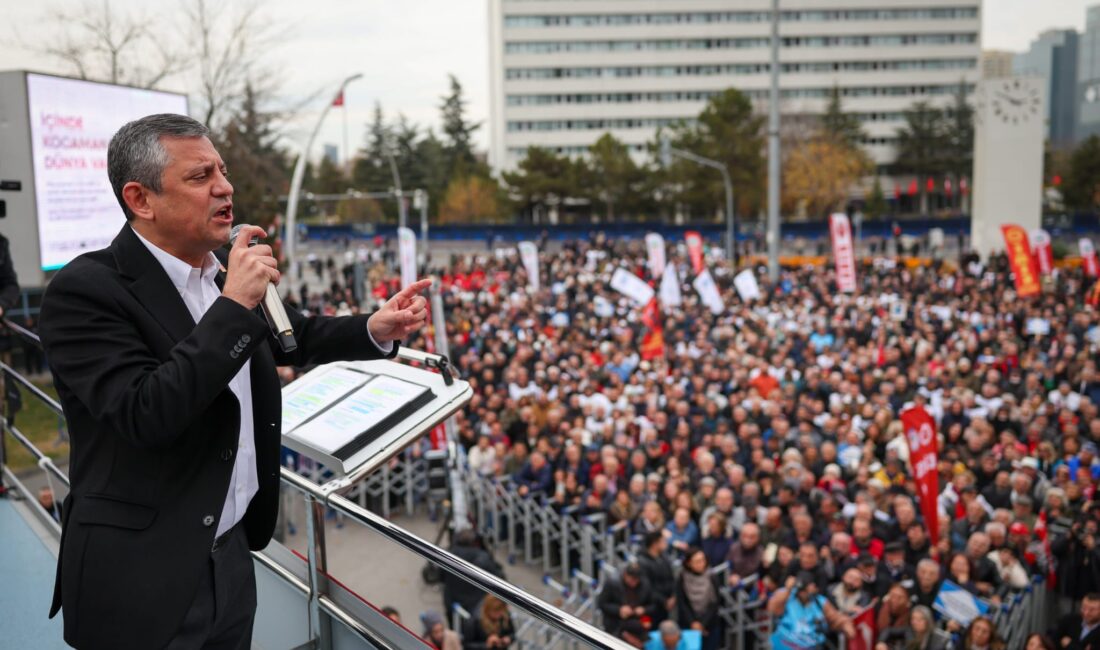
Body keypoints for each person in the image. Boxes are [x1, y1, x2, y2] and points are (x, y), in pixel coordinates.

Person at [38, 114, 431, 650]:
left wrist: (373, 328)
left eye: (221, 171)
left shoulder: (220, 272)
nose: (225, 187)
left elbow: (291, 335)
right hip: (140, 574)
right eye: (200, 177)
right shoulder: (84, 292)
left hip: (230, 553)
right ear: (141, 199)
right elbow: (145, 412)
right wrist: (233, 305)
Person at [768, 570, 856, 649]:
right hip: (785, 643)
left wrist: (845, 624)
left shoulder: (820, 601)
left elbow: (835, 618)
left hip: (810, 645)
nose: (803, 592)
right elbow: (772, 609)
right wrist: (788, 588)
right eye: (801, 590)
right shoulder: (786, 596)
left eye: (806, 589)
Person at [445, 529, 506, 618]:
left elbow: (441, 577)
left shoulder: (447, 555)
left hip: (453, 602)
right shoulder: (483, 556)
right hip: (476, 605)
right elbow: (499, 578)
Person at [598, 562, 660, 639]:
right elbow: (601, 603)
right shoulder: (612, 583)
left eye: (636, 579)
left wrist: (644, 610)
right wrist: (619, 610)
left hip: (638, 620)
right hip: (616, 622)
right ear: (625, 575)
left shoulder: (645, 584)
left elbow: (653, 605)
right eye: (632, 579)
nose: (634, 582)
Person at [675, 548, 721, 650]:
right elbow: (682, 602)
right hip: (688, 623)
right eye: (697, 562)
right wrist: (693, 623)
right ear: (688, 563)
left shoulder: (711, 576)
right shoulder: (682, 577)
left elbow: (715, 603)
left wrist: (702, 624)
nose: (701, 564)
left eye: (702, 560)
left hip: (709, 624)